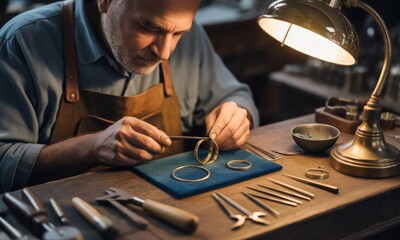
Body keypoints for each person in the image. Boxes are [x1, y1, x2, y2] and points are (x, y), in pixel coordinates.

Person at [0, 0, 259, 193]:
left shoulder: (190, 37)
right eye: (148, 27)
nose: (165, 52)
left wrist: (236, 116)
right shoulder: (21, 43)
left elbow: (235, 95)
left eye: (178, 34)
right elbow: (4, 161)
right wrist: (91, 147)